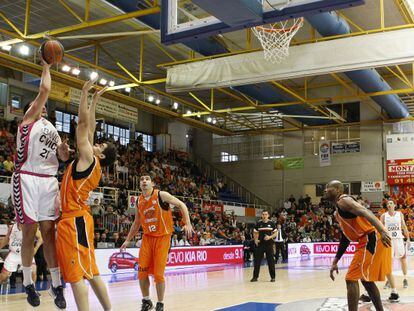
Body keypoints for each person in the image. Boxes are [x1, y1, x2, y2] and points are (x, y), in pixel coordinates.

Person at [11, 58, 70, 308]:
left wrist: (65, 151)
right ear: (31, 109)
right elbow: (44, 91)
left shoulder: (52, 129)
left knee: (49, 233)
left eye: (44, 108)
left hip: (49, 181)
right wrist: (46, 64)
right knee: (29, 230)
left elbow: (63, 156)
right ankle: (27, 282)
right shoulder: (27, 122)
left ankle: (57, 286)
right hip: (27, 177)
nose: (44, 108)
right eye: (39, 106)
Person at [56, 77, 117, 311]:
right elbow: (89, 127)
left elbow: (82, 125)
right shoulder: (90, 160)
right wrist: (95, 99)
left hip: (74, 221)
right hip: (79, 219)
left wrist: (83, 93)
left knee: (76, 276)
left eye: (100, 145)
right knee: (91, 271)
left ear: (100, 155)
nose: (96, 143)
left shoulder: (88, 158)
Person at [121, 174, 194, 311]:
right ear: (140, 184)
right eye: (141, 179)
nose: (144, 181)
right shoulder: (139, 201)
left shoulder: (161, 195)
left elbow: (181, 205)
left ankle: (160, 303)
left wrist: (188, 223)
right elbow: (136, 223)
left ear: (152, 183)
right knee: (141, 272)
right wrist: (127, 240)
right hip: (147, 238)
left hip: (163, 238)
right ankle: (146, 301)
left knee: (158, 274)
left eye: (147, 179)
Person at [326, 180, 392, 311]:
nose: (325, 190)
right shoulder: (337, 212)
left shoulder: (343, 200)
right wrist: (335, 261)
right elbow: (345, 238)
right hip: (367, 239)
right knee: (365, 280)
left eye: (329, 188)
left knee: (351, 278)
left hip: (369, 238)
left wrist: (382, 230)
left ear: (338, 190)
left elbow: (365, 211)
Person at [381, 200, 410, 297]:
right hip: (389, 240)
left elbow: (404, 226)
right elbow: (380, 229)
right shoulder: (383, 216)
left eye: (391, 203)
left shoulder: (399, 214)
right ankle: (389, 281)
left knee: (403, 259)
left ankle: (405, 279)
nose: (389, 204)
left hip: (399, 239)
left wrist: (408, 239)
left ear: (394, 205)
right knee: (389, 261)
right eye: (388, 203)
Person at [251, 210, 277, 282]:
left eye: (266, 214)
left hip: (269, 244)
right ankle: (255, 277)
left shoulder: (271, 223)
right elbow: (255, 232)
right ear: (261, 215)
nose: (264, 216)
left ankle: (273, 277)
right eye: (263, 214)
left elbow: (276, 233)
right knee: (257, 261)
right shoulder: (259, 223)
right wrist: (256, 239)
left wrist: (270, 237)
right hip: (260, 245)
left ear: (268, 215)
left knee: (271, 261)